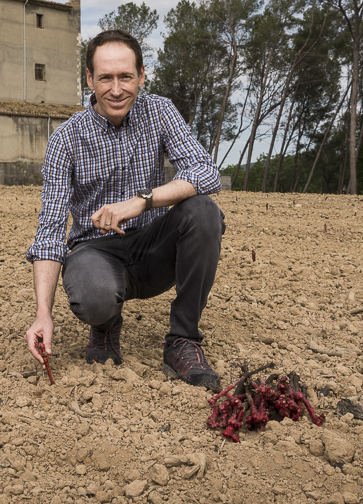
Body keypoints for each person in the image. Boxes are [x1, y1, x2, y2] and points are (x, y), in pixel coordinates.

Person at [24, 29, 225, 390]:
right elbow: (50, 231)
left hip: (153, 247)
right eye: (105, 78)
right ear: (89, 79)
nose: (116, 89)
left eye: (125, 77)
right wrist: (43, 314)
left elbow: (206, 171)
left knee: (204, 211)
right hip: (95, 252)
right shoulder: (65, 139)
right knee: (94, 295)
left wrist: (142, 201)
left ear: (141, 76)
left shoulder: (159, 111)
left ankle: (183, 341)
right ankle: (105, 324)